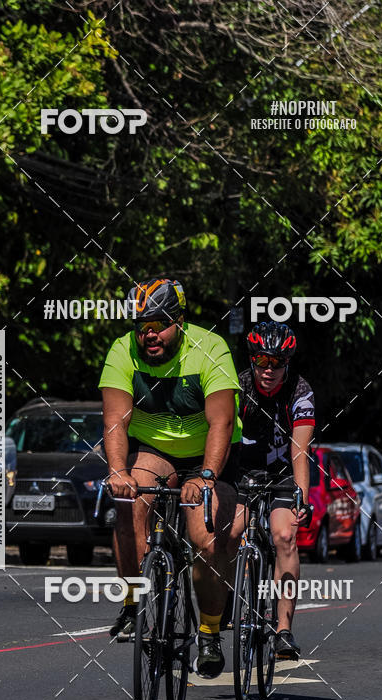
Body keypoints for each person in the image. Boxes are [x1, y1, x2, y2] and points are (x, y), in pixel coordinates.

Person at [98, 276, 240, 678]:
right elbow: (115, 421)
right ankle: (133, 604)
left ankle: (209, 631)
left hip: (207, 452)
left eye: (159, 324)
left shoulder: (210, 348)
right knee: (128, 503)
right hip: (154, 448)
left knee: (206, 538)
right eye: (141, 326)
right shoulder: (122, 350)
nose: (150, 334)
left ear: (179, 321)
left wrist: (207, 476)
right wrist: (118, 471)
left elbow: (221, 423)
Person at [227, 321, 314, 660]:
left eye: (277, 363)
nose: (269, 370)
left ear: (287, 363)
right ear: (252, 359)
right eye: (262, 361)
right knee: (230, 531)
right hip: (242, 472)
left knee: (284, 536)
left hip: (281, 474)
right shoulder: (238, 386)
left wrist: (301, 496)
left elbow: (300, 450)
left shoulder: (299, 390)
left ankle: (283, 630)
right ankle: (226, 600)